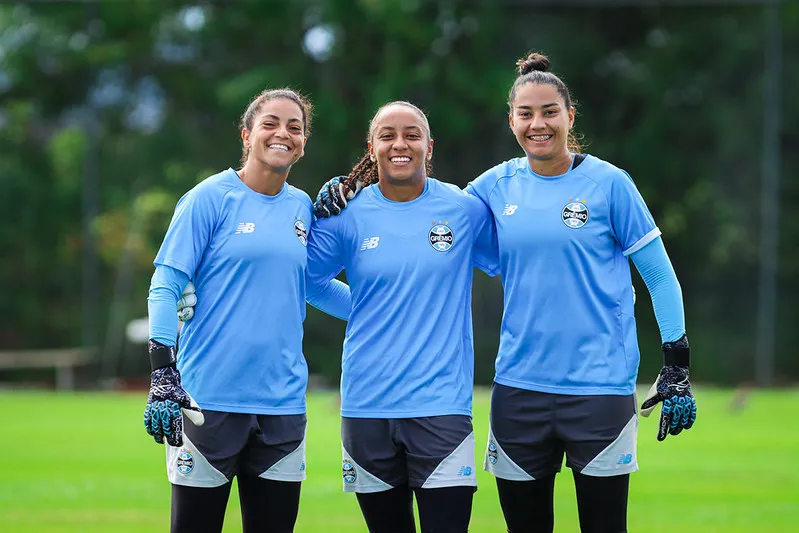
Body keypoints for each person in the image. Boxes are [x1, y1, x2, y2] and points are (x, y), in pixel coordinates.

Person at [314, 53, 697, 533]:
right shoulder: (490, 190)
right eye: (526, 114)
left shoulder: (609, 184)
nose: (538, 124)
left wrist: (677, 363)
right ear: (511, 121)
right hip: (518, 392)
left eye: (550, 112)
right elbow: (410, 214)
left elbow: (659, 276)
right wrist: (345, 188)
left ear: (569, 116)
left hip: (600, 388)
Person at [185, 100, 499, 532]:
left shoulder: (464, 210)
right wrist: (372, 312)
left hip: (442, 406)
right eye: (387, 136)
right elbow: (307, 280)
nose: (400, 144)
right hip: (366, 407)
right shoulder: (346, 213)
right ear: (371, 148)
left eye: (411, 135)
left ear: (430, 145)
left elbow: (519, 259)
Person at [144, 87, 351, 533]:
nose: (283, 133)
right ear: (246, 135)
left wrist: (383, 312)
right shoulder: (208, 199)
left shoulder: (302, 207)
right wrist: (163, 373)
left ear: (303, 142)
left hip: (282, 408)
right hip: (207, 404)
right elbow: (166, 284)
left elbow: (312, 286)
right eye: (270, 124)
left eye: (295, 127)